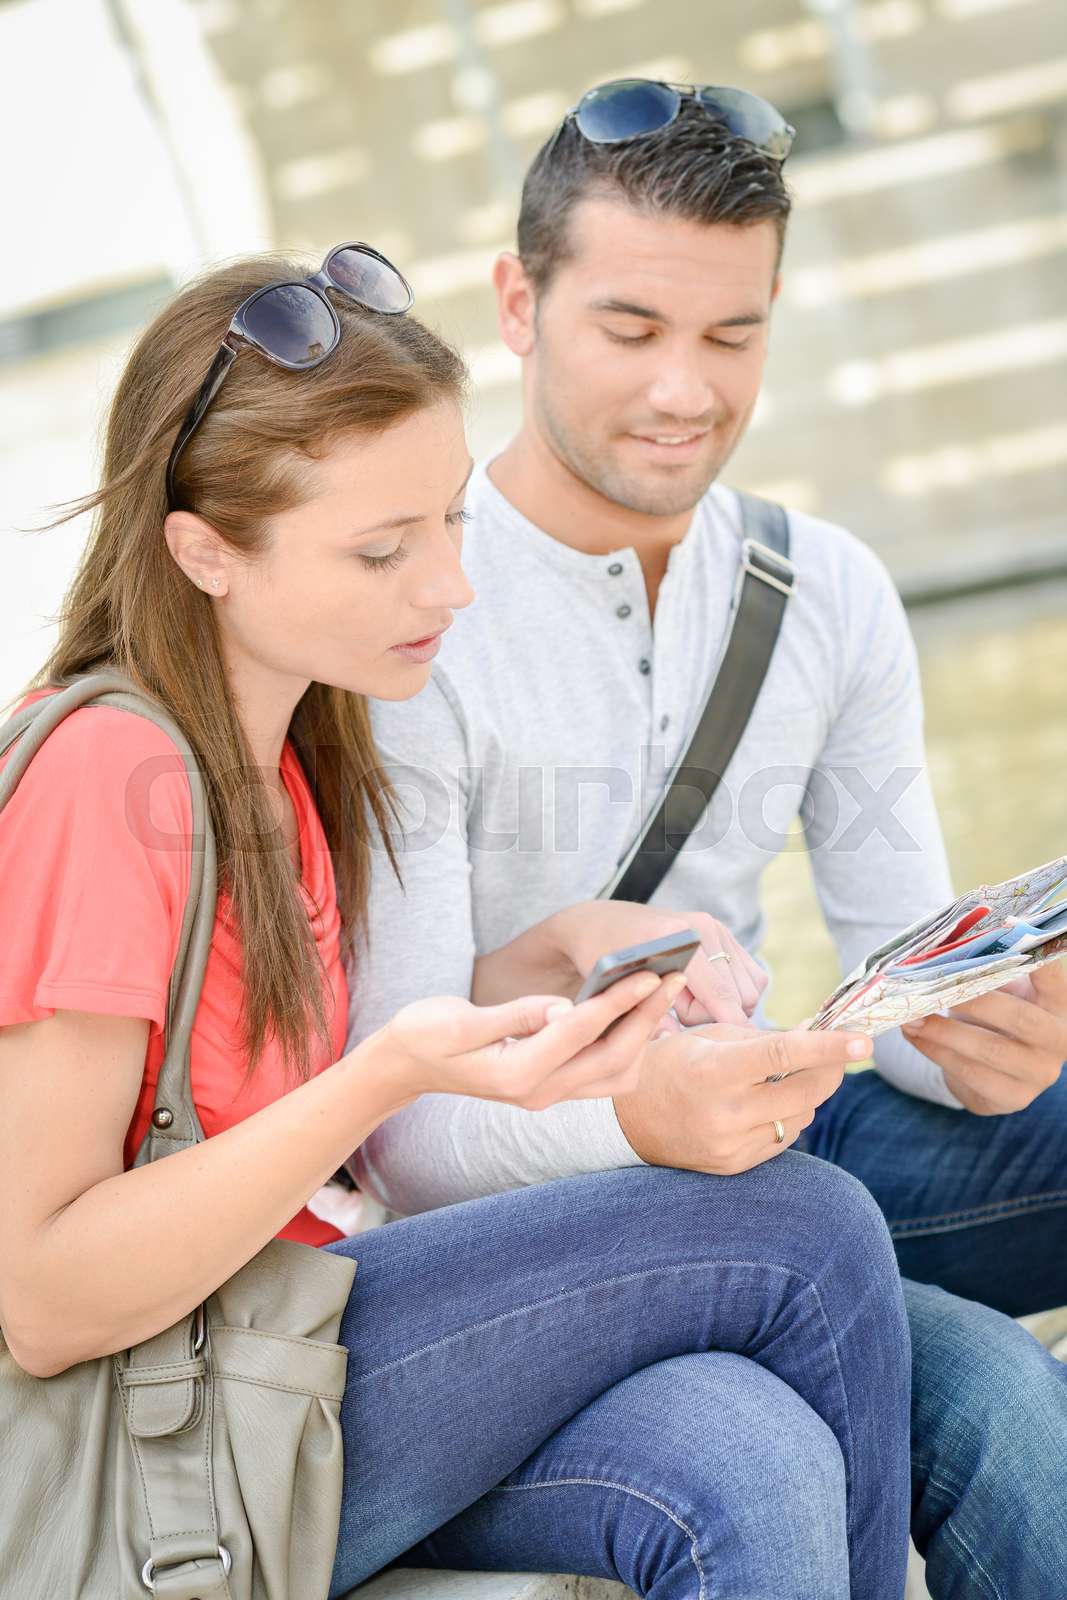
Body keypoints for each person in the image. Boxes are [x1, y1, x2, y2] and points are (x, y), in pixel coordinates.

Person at [0, 247, 915, 1600]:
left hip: (313, 1356)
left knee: (747, 1456)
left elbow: (241, 1057)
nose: (450, 588)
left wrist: (542, 955)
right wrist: (389, 1072)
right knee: (808, 1228)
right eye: (384, 549)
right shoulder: (100, 780)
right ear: (201, 551)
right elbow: (45, 1294)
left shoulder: (299, 749)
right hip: (185, 1416)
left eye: (451, 523)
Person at [347, 85, 1067, 1595]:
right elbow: (400, 1142)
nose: (687, 390)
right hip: (535, 1212)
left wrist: (991, 1030)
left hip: (771, 1121)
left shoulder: (832, 591)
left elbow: (906, 987)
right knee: (999, 1398)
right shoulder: (408, 620)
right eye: (631, 330)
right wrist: (640, 1118)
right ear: (518, 303)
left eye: (733, 337)